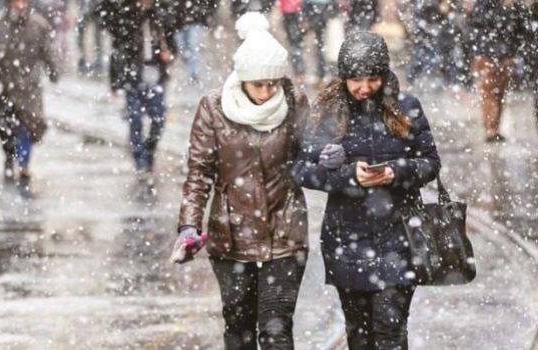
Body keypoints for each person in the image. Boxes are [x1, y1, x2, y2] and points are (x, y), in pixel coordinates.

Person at [292, 31, 441, 349]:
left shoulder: (406, 108)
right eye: (355, 80)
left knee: (390, 333)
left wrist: (394, 172)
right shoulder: (327, 114)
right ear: (343, 78)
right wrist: (347, 177)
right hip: (347, 241)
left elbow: (430, 163)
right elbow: (302, 169)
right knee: (359, 334)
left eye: (372, 79)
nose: (364, 88)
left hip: (398, 238)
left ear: (384, 75)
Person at [174, 12, 312, 349]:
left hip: (285, 234)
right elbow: (199, 173)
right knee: (239, 327)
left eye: (273, 83)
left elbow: (311, 157)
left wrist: (325, 158)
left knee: (276, 329)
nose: (267, 92)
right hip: (231, 237)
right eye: (258, 84)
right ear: (242, 79)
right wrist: (188, 226)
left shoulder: (295, 103)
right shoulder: (214, 107)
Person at [0, 0, 59, 198]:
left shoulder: (38, 25)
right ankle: (8, 157)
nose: (21, 5)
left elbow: (47, 51)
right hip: (4, 87)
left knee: (28, 127)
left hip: (29, 88)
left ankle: (23, 164)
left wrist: (53, 70)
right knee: (6, 128)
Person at [96, 0, 174, 175]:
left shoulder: (161, 16)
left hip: (156, 74)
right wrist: (115, 82)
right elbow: (117, 50)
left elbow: (171, 42)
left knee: (158, 118)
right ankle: (140, 158)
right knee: (135, 118)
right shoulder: (125, 15)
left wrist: (168, 54)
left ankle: (149, 149)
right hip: (133, 75)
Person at [469, 0, 531, 142]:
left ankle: (495, 127)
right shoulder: (486, 4)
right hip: (487, 53)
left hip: (505, 54)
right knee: (489, 91)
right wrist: (505, 9)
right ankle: (490, 128)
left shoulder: (514, 5)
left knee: (500, 93)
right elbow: (481, 22)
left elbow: (521, 28)